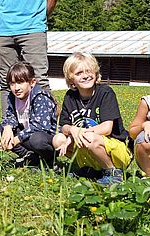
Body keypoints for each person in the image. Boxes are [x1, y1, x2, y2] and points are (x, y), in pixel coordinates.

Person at [53, 52, 132, 185]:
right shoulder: (70, 96)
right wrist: (72, 130)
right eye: (79, 73)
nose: (85, 76)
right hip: (90, 143)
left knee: (88, 137)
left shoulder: (105, 93)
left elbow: (106, 128)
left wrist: (77, 134)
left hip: (118, 150)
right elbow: (64, 126)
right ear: (71, 79)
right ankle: (90, 169)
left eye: (89, 71)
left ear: (95, 72)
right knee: (58, 139)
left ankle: (112, 171)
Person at [0, 62, 57, 167]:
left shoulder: (40, 97)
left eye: (20, 82)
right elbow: (10, 115)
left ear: (32, 82)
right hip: (26, 136)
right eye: (12, 83)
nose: (16, 88)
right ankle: (29, 156)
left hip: (44, 139)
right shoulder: (13, 97)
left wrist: (17, 139)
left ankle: (49, 160)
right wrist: (8, 128)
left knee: (37, 140)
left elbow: (41, 126)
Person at [129, 95, 150, 176]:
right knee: (143, 139)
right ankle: (148, 175)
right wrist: (144, 125)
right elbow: (132, 133)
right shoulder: (147, 102)